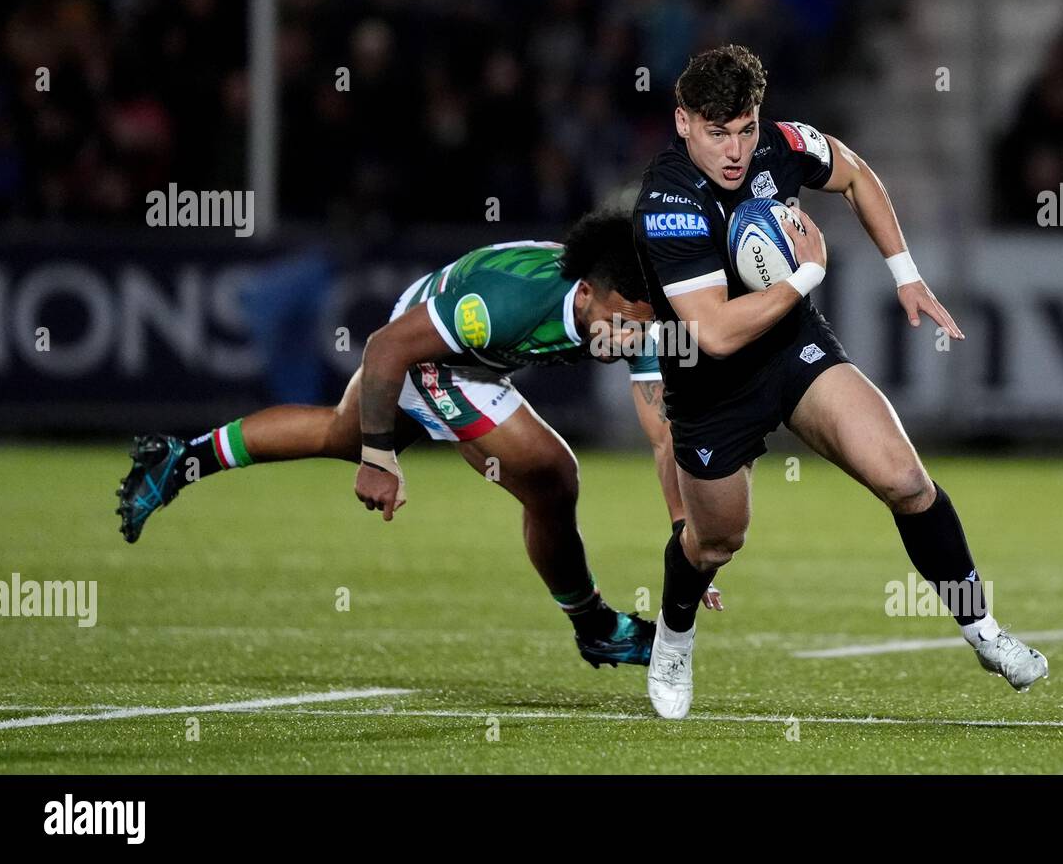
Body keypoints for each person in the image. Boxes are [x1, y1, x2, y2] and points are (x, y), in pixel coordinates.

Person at [632, 44, 1047, 718]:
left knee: (906, 480)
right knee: (717, 541)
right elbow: (711, 331)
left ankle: (985, 632)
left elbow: (855, 175)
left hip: (790, 347)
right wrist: (804, 277)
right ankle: (674, 636)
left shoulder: (784, 144)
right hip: (709, 385)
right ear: (683, 123)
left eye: (744, 129)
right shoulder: (667, 200)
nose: (735, 150)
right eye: (716, 132)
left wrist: (904, 271)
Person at [116, 211, 721, 669]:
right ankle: (594, 626)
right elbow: (386, 348)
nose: (625, 339)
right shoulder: (500, 306)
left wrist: (685, 535)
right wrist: (380, 460)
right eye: (619, 324)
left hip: (475, 351)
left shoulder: (640, 315)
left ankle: (181, 458)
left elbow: (664, 433)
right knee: (552, 476)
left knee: (338, 432)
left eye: (637, 328)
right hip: (434, 345)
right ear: (585, 293)